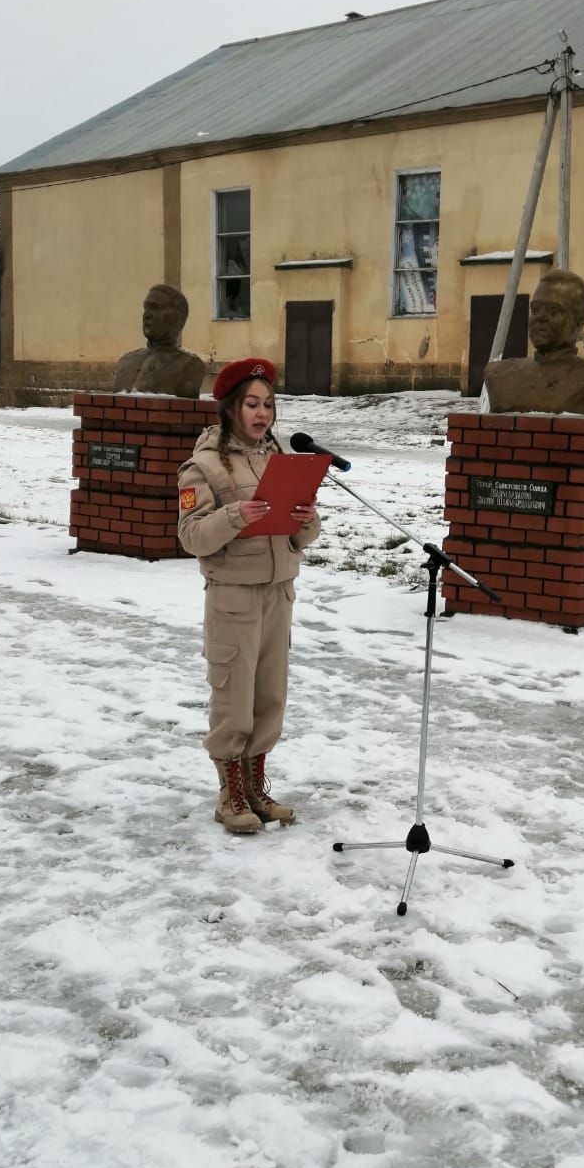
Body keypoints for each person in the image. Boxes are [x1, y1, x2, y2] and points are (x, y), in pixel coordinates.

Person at [177, 357, 320, 833]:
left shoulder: (279, 459)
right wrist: (237, 515)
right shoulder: (204, 466)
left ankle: (256, 787)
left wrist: (306, 521)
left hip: (279, 593)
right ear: (231, 408)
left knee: (268, 696)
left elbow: (299, 537)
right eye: (252, 404)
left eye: (269, 405)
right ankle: (229, 794)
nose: (262, 414)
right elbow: (191, 537)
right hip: (234, 597)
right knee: (233, 699)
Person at [485, 269, 584, 418]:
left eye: (553, 311)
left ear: (580, 319)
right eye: (535, 309)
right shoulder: (500, 375)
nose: (540, 317)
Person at [113, 284, 205, 398]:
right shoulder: (125, 361)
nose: (147, 315)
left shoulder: (190, 366)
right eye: (145, 308)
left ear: (178, 318)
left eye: (155, 308)